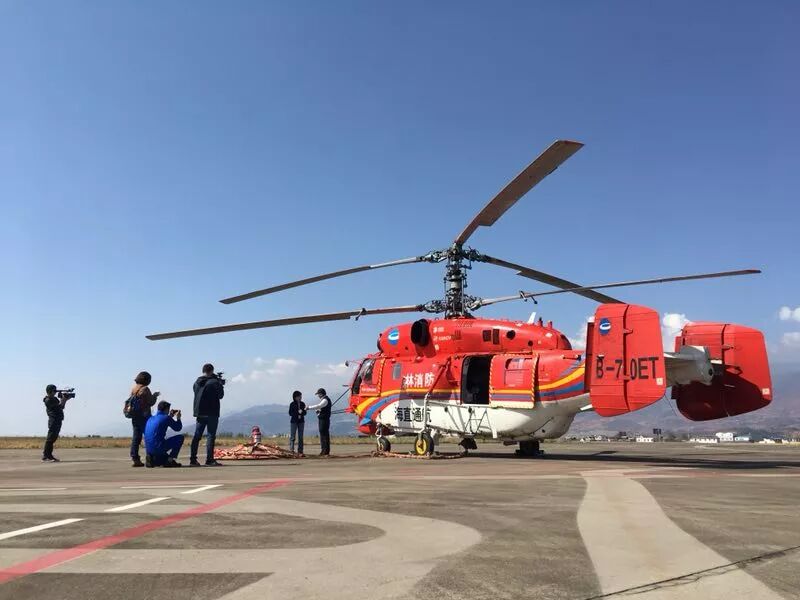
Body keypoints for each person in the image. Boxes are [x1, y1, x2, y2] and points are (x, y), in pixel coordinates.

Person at [190, 363, 225, 467]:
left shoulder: (196, 383)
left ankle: (193, 460)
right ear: (212, 371)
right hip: (212, 412)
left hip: (200, 412)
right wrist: (220, 384)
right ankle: (209, 460)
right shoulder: (214, 382)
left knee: (197, 436)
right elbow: (221, 395)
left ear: (203, 371)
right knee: (210, 436)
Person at [129, 371, 160, 467]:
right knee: (149, 437)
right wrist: (155, 396)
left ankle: (135, 458)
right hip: (145, 416)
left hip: (135, 416)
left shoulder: (134, 388)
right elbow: (150, 402)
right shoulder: (145, 389)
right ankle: (150, 458)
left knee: (136, 438)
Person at [144, 400, 185, 467]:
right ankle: (170, 461)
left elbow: (162, 421)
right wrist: (178, 418)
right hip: (159, 447)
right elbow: (178, 428)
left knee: (163, 457)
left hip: (149, 449)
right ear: (166, 409)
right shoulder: (167, 418)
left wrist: (170, 416)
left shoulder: (150, 418)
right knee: (180, 438)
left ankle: (150, 458)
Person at [42, 384, 70, 462]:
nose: (55, 392)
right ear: (50, 391)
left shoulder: (54, 399)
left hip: (58, 420)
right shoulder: (48, 400)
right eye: (54, 391)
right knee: (50, 439)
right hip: (53, 420)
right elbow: (58, 406)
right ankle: (46, 456)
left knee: (53, 438)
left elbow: (61, 407)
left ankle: (48, 455)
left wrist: (65, 400)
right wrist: (63, 399)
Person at [307, 388, 331, 456]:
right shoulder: (324, 400)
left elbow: (318, 406)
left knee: (324, 435)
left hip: (324, 420)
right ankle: (324, 450)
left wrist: (309, 407)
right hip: (322, 419)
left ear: (321, 394)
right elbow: (320, 408)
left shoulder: (325, 400)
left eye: (318, 394)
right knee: (323, 435)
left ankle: (325, 451)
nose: (318, 396)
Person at [288, 390, 307, 456]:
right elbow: (290, 413)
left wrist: (302, 412)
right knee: (292, 437)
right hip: (294, 422)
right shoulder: (292, 404)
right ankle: (292, 450)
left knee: (300, 437)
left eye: (301, 396)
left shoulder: (303, 404)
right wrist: (297, 413)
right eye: (299, 396)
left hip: (301, 422)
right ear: (295, 397)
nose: (300, 397)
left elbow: (305, 412)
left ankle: (300, 451)